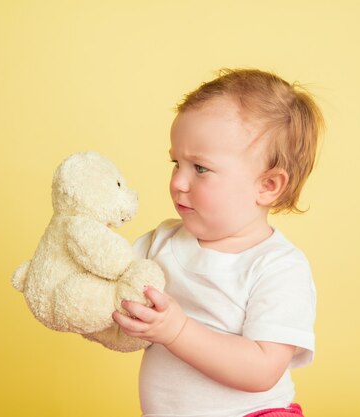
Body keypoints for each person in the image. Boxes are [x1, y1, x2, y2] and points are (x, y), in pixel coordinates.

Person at [112, 68, 323, 417]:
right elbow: (111, 284)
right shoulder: (161, 241)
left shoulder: (278, 267)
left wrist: (176, 330)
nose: (178, 181)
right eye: (175, 163)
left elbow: (262, 370)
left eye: (200, 168)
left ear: (267, 185)